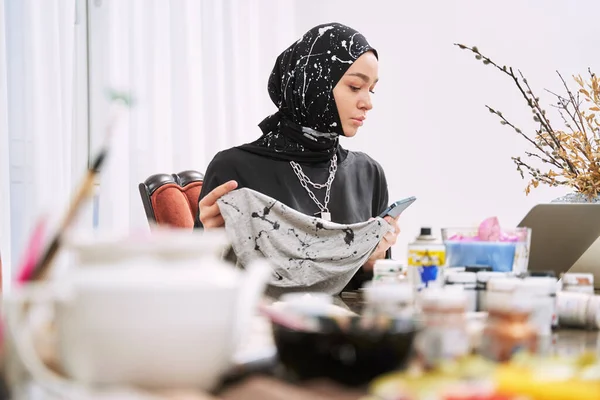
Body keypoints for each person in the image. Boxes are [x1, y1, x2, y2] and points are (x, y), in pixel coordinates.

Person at [195, 22, 400, 290]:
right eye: (354, 87)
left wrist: (375, 262)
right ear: (313, 82)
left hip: (344, 329)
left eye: (371, 89)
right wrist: (210, 241)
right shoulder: (234, 168)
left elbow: (371, 293)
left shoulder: (368, 173)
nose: (368, 102)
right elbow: (200, 285)